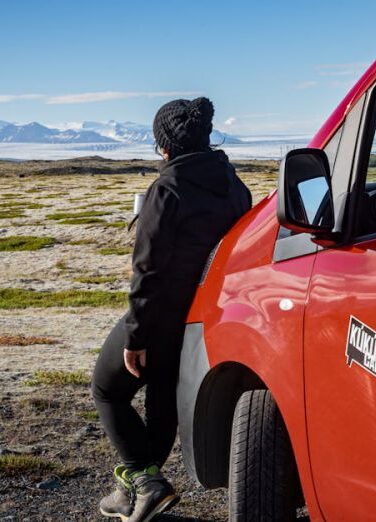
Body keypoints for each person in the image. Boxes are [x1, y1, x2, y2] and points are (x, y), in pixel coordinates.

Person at [91, 97, 252, 522]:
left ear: (165, 144)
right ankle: (139, 490)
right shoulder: (236, 186)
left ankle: (144, 483)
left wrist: (137, 336)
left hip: (160, 319)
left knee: (107, 389)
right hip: (202, 320)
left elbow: (148, 270)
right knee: (161, 401)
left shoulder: (167, 189)